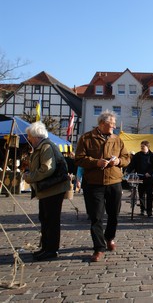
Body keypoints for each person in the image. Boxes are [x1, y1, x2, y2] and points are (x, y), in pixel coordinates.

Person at [75, 110, 130, 262]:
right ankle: (98, 248)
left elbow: (126, 158)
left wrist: (118, 161)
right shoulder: (86, 138)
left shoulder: (117, 139)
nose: (113, 126)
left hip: (114, 182)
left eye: (114, 124)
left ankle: (109, 238)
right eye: (110, 124)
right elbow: (79, 159)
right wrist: (95, 162)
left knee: (114, 214)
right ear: (101, 124)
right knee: (96, 217)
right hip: (93, 183)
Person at [23, 121, 70, 261]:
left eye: (30, 136)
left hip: (52, 189)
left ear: (36, 136)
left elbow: (47, 169)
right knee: (45, 219)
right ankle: (46, 247)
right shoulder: (42, 146)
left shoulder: (46, 147)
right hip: (47, 190)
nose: (29, 139)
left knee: (51, 220)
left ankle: (51, 249)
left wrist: (30, 177)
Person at [125, 140, 153, 217]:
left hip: (149, 178)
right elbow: (132, 164)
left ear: (147, 147)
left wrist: (149, 173)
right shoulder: (137, 155)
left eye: (143, 146)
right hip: (139, 177)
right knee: (141, 194)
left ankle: (149, 211)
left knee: (149, 195)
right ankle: (142, 210)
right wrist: (127, 171)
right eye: (141, 146)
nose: (141, 148)